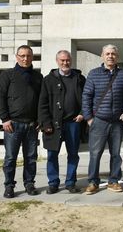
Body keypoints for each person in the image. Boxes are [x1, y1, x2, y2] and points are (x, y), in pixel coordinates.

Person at [82, 44, 123, 195]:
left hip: (117, 121)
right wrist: (89, 118)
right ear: (102, 56)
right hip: (99, 120)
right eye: (107, 54)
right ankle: (93, 182)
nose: (110, 56)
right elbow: (86, 97)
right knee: (95, 153)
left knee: (116, 154)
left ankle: (114, 181)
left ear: (117, 57)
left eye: (113, 54)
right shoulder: (93, 74)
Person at [0, 45, 43, 198]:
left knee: (31, 157)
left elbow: (42, 101)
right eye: (22, 55)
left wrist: (39, 120)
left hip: (31, 125)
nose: (25, 58)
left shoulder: (37, 77)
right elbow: (0, 97)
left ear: (32, 57)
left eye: (28, 56)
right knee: (10, 157)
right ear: (16, 57)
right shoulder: (7, 75)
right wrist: (5, 119)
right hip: (12, 125)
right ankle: (9, 186)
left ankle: (29, 183)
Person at [38, 50, 85, 194]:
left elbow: (87, 98)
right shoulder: (48, 79)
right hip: (53, 124)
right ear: (57, 61)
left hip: (73, 123)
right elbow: (42, 104)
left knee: (73, 154)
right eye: (62, 60)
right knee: (52, 155)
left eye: (67, 60)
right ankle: (53, 183)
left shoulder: (79, 78)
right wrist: (45, 124)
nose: (65, 63)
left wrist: (83, 114)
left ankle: (70, 182)